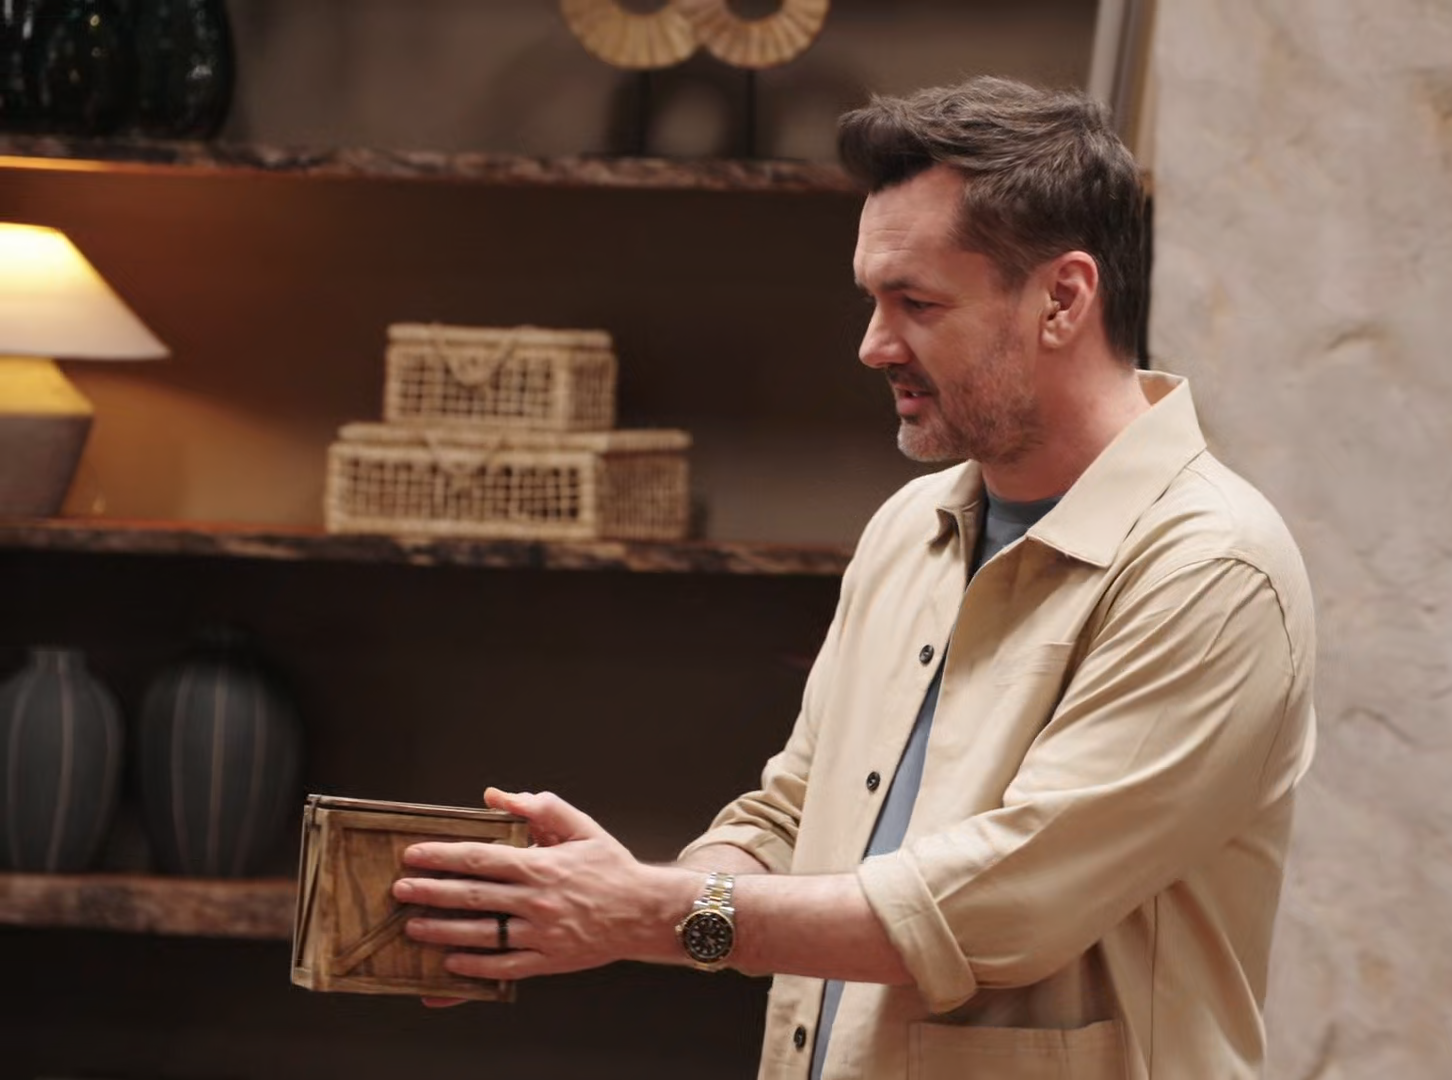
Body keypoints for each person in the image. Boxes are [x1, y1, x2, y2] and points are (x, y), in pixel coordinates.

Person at [394, 75, 1316, 1079]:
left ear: (1063, 299)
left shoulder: (1212, 570)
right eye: (873, 300)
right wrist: (588, 901)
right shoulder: (909, 528)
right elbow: (792, 820)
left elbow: (993, 908)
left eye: (916, 303)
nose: (873, 345)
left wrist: (649, 912)